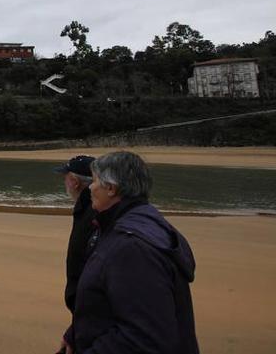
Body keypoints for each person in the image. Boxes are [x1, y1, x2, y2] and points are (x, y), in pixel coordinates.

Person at [63, 151, 199, 354]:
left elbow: (144, 338)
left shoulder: (133, 247)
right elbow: (114, 304)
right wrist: (76, 333)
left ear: (111, 188)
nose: (91, 186)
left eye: (96, 180)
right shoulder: (129, 223)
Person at [53, 155, 97, 354]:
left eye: (65, 177)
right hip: (86, 318)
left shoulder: (92, 213)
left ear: (74, 181)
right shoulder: (91, 209)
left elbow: (91, 273)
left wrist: (78, 327)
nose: (64, 182)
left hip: (93, 321)